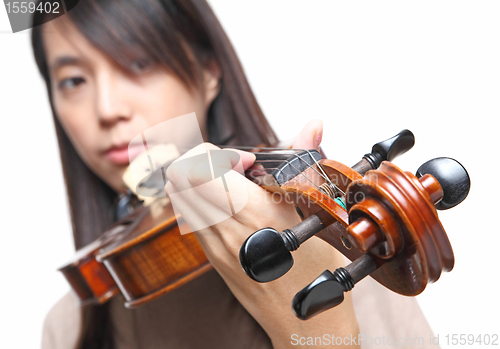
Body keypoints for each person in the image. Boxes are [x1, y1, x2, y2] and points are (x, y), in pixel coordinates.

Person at [32, 1, 436, 348]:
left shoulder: (335, 246)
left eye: (138, 62)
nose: (106, 108)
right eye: (73, 80)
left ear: (209, 71)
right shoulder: (68, 326)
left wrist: (315, 331)